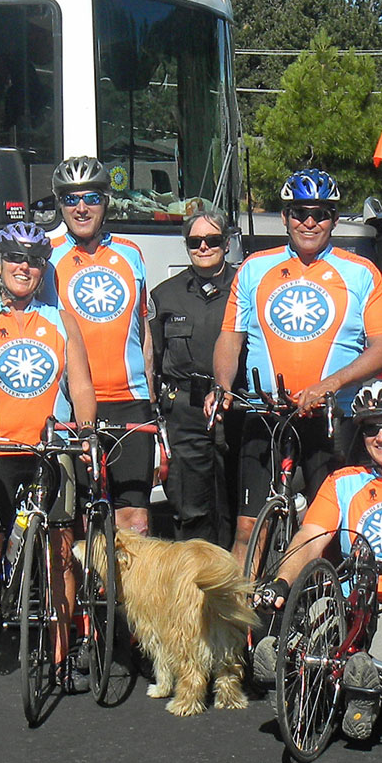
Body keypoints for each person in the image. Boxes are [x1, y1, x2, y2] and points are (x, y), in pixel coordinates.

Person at [251, 380, 382, 741]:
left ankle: (362, 696)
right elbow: (308, 539)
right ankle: (287, 658)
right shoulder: (341, 482)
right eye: (371, 428)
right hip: (354, 606)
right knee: (324, 609)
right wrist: (281, 582)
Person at [209, 169, 382, 564]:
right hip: (266, 410)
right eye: (299, 213)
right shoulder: (255, 268)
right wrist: (222, 386)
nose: (309, 222)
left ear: (334, 218)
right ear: (284, 217)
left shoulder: (360, 272)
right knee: (246, 529)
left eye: (320, 213)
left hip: (331, 415)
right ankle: (241, 621)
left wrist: (331, 384)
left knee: (327, 526)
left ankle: (323, 610)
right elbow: (230, 337)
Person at [0, 222, 96, 699]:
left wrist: (86, 430)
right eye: (15, 258)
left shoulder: (61, 320)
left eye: (33, 260)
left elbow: (82, 388)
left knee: (59, 557)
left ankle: (59, 657)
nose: (24, 268)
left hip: (51, 451)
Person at [42, 157, 155, 534]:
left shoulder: (131, 253)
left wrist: (151, 400)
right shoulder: (48, 257)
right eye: (70, 199)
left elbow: (144, 331)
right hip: (72, 403)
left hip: (130, 397)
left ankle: (126, 595)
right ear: (59, 205)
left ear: (106, 201)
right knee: (71, 518)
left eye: (91, 197)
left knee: (134, 518)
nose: (81, 207)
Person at [150, 209, 243, 545]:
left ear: (227, 242)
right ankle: (193, 585)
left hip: (235, 408)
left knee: (236, 503)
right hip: (185, 411)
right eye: (195, 241)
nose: (204, 247)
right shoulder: (165, 296)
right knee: (190, 507)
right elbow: (153, 358)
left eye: (213, 240)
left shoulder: (245, 288)